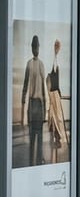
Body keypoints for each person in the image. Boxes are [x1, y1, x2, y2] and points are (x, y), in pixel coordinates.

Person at [20, 35, 47, 166]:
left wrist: (45, 111)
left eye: (37, 47)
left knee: (39, 139)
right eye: (34, 47)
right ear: (32, 48)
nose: (36, 49)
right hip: (33, 105)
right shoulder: (29, 64)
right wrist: (23, 104)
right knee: (32, 139)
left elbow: (43, 88)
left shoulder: (41, 64)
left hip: (38, 104)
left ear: (38, 48)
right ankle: (32, 164)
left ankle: (37, 164)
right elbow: (25, 86)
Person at [46, 39, 67, 150]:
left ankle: (58, 139)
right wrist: (55, 53)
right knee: (53, 119)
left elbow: (55, 68)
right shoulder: (54, 66)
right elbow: (53, 69)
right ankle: (56, 139)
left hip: (56, 96)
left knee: (57, 119)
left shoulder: (58, 64)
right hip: (53, 96)